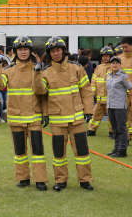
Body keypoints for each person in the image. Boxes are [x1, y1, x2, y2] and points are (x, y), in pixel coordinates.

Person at [33, 36, 94, 191]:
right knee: (59, 153)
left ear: (63, 51)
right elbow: (40, 92)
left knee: (82, 151)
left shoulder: (76, 68)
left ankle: (85, 181)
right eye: (52, 51)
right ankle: (60, 181)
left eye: (58, 50)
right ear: (49, 53)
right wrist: (36, 74)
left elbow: (86, 91)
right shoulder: (45, 72)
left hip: (77, 118)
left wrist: (88, 110)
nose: (56, 53)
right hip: (57, 119)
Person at [0, 36, 49, 191]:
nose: (23, 52)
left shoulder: (39, 68)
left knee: (38, 150)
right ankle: (23, 178)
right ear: (15, 52)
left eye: (25, 49)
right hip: (16, 117)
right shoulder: (8, 70)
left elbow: (42, 92)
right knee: (20, 151)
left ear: (30, 51)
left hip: (34, 117)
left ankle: (40, 179)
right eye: (20, 49)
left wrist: (45, 114)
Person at [106, 57, 132, 157]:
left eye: (117, 63)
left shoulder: (123, 76)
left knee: (121, 128)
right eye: (112, 63)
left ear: (120, 65)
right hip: (110, 106)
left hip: (119, 106)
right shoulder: (108, 76)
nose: (115, 65)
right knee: (115, 128)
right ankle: (117, 148)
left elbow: (131, 89)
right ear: (110, 65)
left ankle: (122, 150)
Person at [87, 46, 115, 138]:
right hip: (99, 98)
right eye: (103, 56)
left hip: (110, 98)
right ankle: (92, 130)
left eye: (107, 56)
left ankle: (112, 131)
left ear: (111, 56)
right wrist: (92, 92)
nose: (105, 57)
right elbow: (94, 81)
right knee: (95, 115)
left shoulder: (114, 67)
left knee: (111, 117)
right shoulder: (98, 67)